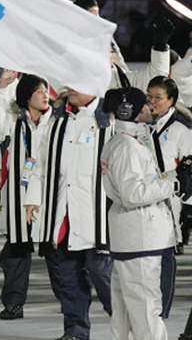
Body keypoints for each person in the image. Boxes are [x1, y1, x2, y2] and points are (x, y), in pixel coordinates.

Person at [101, 87, 191, 340]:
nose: (149, 107)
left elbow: (145, 182)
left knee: (125, 311)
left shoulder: (127, 142)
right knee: (147, 308)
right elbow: (133, 193)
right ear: (128, 111)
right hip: (139, 235)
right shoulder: (127, 147)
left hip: (133, 235)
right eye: (144, 105)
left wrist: (178, 175)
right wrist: (174, 185)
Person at [30, 88, 114, 340]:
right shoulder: (57, 120)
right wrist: (32, 200)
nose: (71, 90)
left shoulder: (109, 119)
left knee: (104, 277)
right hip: (62, 215)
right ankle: (75, 332)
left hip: (96, 218)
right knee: (68, 281)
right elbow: (39, 163)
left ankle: (131, 327)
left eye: (78, 85)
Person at [0, 72, 53, 319]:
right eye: (39, 91)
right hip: (17, 201)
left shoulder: (56, 121)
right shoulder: (11, 122)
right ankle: (14, 303)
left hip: (48, 198)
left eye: (46, 91)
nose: (45, 95)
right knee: (17, 252)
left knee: (57, 255)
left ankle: (72, 300)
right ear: (26, 96)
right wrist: (1, 85)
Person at [146, 76, 192, 317]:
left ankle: (161, 309)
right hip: (142, 198)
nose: (152, 102)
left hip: (169, 200)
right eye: (149, 96)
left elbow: (189, 171)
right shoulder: (141, 125)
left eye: (158, 98)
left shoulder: (180, 130)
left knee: (164, 254)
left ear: (172, 101)